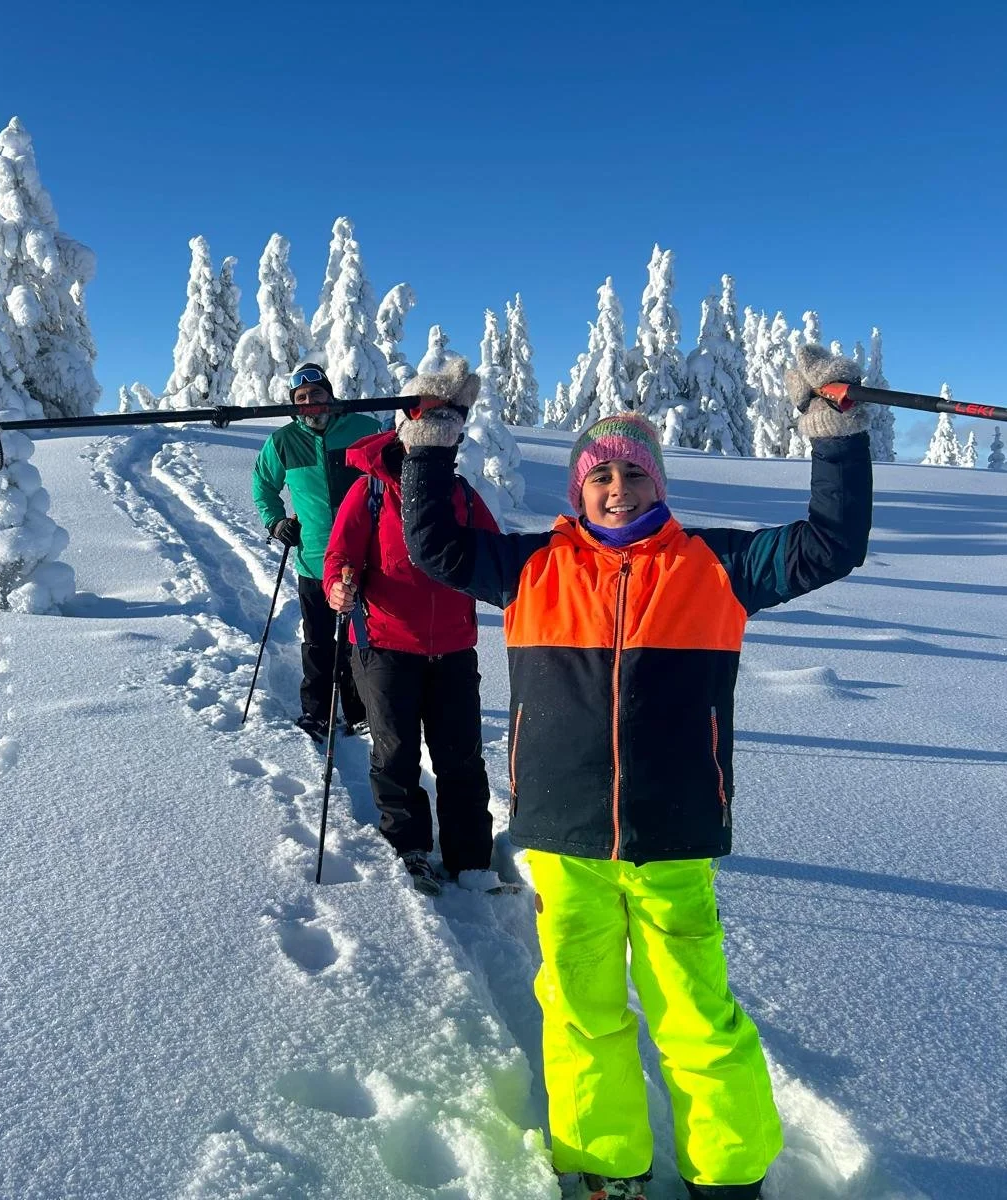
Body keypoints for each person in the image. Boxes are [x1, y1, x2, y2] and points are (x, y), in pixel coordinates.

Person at [395, 349, 873, 1200]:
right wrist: (430, 440)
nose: (618, 488)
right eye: (601, 475)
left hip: (672, 836)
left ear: (661, 486)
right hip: (565, 835)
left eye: (635, 474)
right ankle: (606, 1168)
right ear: (576, 490)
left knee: (698, 1018)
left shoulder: (716, 567)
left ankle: (728, 1176)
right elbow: (431, 543)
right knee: (583, 1016)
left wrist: (832, 435)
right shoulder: (531, 567)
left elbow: (831, 544)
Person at [321, 375, 501, 893]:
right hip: (384, 647)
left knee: (460, 756)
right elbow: (339, 555)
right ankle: (410, 849)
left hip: (453, 650)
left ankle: (472, 860)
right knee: (396, 753)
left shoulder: (461, 496)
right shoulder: (371, 489)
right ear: (406, 435)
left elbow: (494, 558)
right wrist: (337, 587)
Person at [251, 362, 381, 744]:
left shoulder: (363, 429)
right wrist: (276, 523)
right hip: (314, 561)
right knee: (320, 640)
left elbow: (392, 474)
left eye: (317, 394)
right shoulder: (283, 442)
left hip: (366, 557)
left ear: (330, 395)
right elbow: (263, 486)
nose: (311, 402)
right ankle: (317, 712)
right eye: (302, 398)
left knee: (362, 639)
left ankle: (359, 711)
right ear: (294, 404)